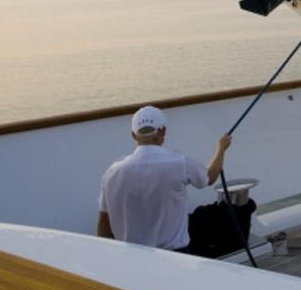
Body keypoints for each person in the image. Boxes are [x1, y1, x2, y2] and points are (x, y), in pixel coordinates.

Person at [97, 105, 241, 255]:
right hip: (174, 256)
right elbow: (209, 177)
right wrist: (221, 149)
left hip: (129, 258)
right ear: (163, 131)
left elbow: (103, 228)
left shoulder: (112, 173)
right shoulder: (179, 163)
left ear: (133, 135)